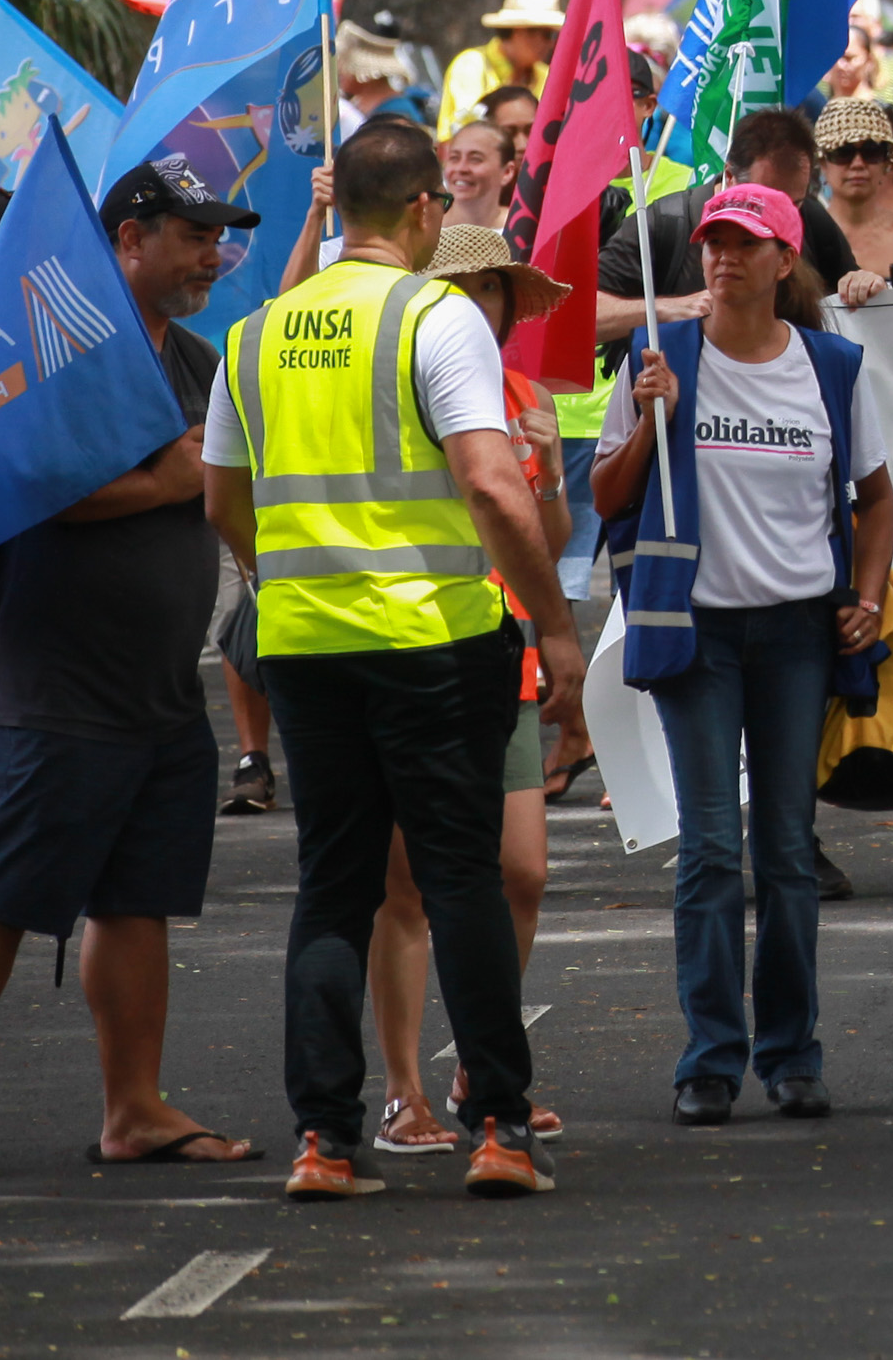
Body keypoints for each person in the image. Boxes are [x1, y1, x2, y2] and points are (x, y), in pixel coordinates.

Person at [202, 115, 578, 1197]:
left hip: (305, 643)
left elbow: (224, 498)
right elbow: (491, 481)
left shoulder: (260, 329)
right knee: (458, 878)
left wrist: (281, 579)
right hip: (432, 635)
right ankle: (500, 1127)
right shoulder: (435, 313)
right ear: (423, 212)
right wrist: (554, 627)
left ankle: (325, 1140)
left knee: (334, 888)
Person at [0, 155, 264, 1180]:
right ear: (127, 240)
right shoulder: (56, 350)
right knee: (3, 894)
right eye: (191, 236)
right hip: (53, 686)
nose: (211, 256)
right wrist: (170, 478)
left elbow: (222, 484)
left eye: (219, 237)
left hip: (159, 690)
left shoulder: (196, 361)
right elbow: (22, 484)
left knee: (137, 901)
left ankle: (132, 1110)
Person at [595, 181, 893, 1123]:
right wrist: (652, 418)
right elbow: (606, 497)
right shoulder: (658, 355)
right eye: (714, 241)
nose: (722, 256)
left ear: (784, 261)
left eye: (744, 242)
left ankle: (792, 1051)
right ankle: (710, 1058)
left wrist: (872, 597)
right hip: (699, 632)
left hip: (799, 634)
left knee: (788, 852)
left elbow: (876, 498)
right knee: (713, 848)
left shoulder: (834, 368)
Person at [367, 228, 575, 1158]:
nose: (476, 304)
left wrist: (554, 470)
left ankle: (481, 1064)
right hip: (417, 648)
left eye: (490, 289)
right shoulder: (402, 385)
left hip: (508, 660)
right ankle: (403, 1088)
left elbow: (549, 540)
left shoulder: (525, 396)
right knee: (405, 885)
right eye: (457, 286)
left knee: (520, 871)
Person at [596, 106, 856, 338]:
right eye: (717, 242)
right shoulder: (664, 223)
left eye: (793, 204)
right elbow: (581, 317)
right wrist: (666, 309)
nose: (781, 214)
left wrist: (864, 285)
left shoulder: (811, 217)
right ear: (729, 176)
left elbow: (848, 292)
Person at [812, 95, 893, 306]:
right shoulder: (804, 235)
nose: (857, 163)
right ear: (823, 163)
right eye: (843, 152)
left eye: (871, 151)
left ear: (887, 163)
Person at [440, 0, 567, 132]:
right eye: (546, 35)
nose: (550, 44)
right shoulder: (471, 65)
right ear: (519, 32)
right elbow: (472, 129)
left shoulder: (546, 75)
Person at [435, 117, 518, 237]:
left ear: (507, 172)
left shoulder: (521, 231)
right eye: (454, 158)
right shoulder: (424, 229)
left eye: (475, 159)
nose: (461, 168)